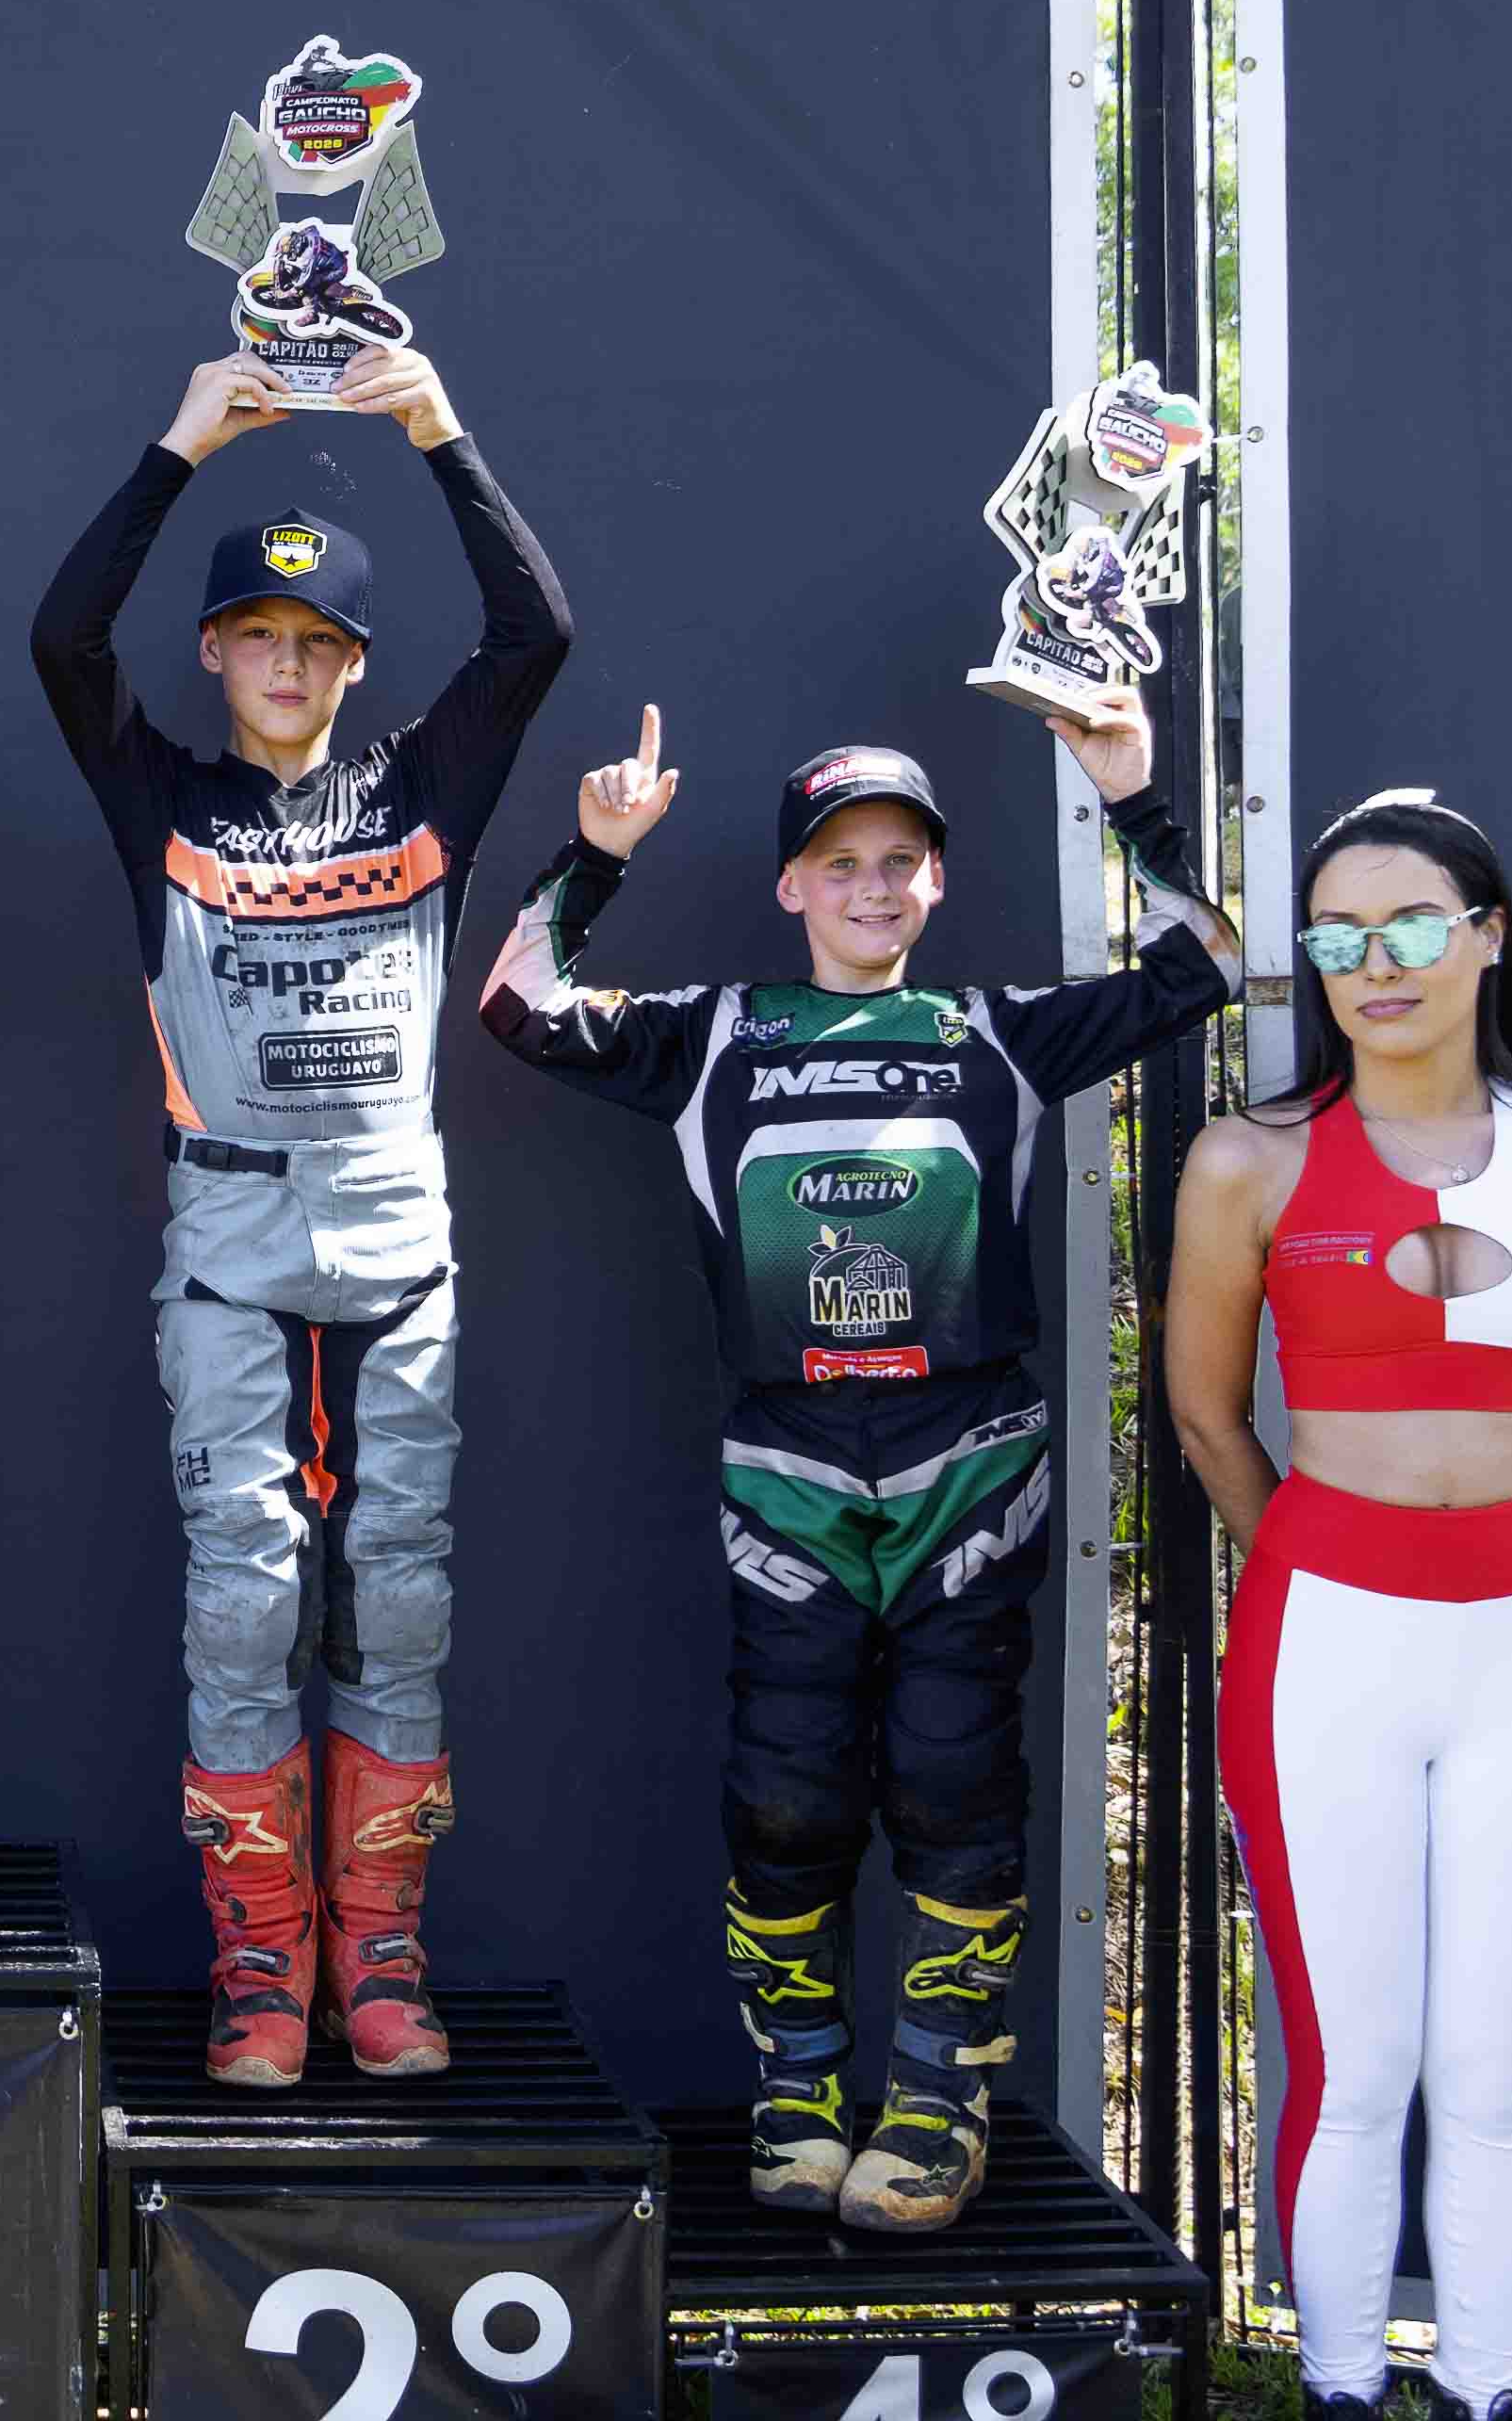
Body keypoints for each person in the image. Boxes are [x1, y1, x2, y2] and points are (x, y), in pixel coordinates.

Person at [480, 704, 1235, 2229]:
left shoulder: (995, 1029)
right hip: (789, 1471)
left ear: (939, 881)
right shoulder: (717, 1033)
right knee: (786, 1791)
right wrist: (595, 855)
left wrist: (1134, 796)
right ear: (790, 885)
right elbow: (514, 1001)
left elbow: (1204, 963)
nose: (873, 888)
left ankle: (941, 2094)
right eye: (840, 863)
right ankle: (804, 2086)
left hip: (970, 1464)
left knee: (957, 1773)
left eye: (900, 862)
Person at [30, 346, 572, 2085]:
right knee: (244, 1601)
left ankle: (383, 1954)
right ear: (214, 651)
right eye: (256, 636)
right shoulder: (164, 798)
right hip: (231, 1255)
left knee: (397, 1599)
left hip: (398, 1253)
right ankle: (262, 1962)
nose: (285, 663)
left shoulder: (423, 785)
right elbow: (61, 642)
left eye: (317, 640)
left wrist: (437, 427)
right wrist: (180, 444)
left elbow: (536, 633)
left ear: (352, 661)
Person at [1162, 790, 1512, 2421]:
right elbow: (1208, 1416)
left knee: (1492, 2082)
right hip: (1329, 1647)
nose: (1370, 964)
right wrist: (1341, 1556)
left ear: (1486, 934)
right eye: (1335, 934)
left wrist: (1483, 1544)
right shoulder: (1248, 1160)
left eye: (1409, 925)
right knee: (1351, 2070)